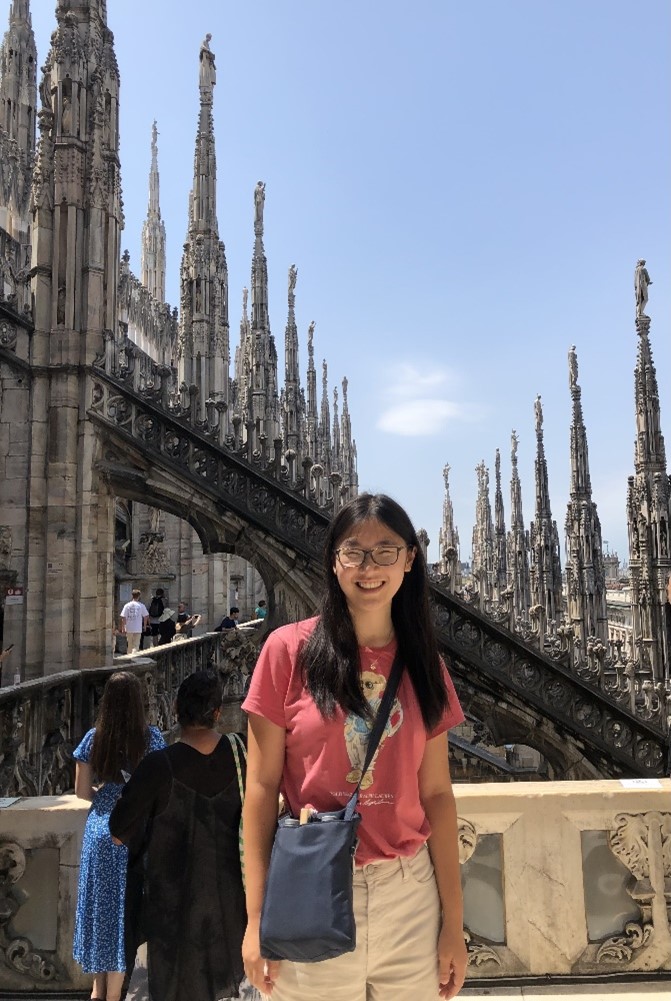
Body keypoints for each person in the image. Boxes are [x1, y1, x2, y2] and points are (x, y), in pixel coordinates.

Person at [241, 492, 467, 1001]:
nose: (370, 567)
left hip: (409, 898)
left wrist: (454, 924)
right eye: (354, 552)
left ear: (409, 560)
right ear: (333, 561)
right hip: (310, 887)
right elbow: (260, 788)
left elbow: (436, 794)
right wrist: (256, 918)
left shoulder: (425, 664)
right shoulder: (287, 651)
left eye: (385, 551)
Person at [109, 671, 247, 1001]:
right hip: (235, 907)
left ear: (174, 708)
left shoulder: (158, 766)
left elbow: (117, 832)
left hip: (172, 916)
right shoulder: (242, 753)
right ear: (217, 713)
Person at [72, 672, 165, 1001]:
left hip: (100, 830)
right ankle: (113, 994)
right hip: (132, 831)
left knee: (99, 912)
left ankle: (98, 991)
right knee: (122, 917)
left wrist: (106, 794)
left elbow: (82, 792)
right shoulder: (152, 739)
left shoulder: (94, 738)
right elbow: (160, 788)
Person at [119, 590, 149, 654]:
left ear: (132, 596)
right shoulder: (141, 605)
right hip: (138, 628)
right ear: (139, 596)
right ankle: (133, 655)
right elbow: (146, 616)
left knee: (129, 645)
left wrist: (123, 627)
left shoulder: (127, 605)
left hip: (129, 628)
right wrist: (144, 626)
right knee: (136, 645)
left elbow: (123, 617)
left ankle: (129, 656)